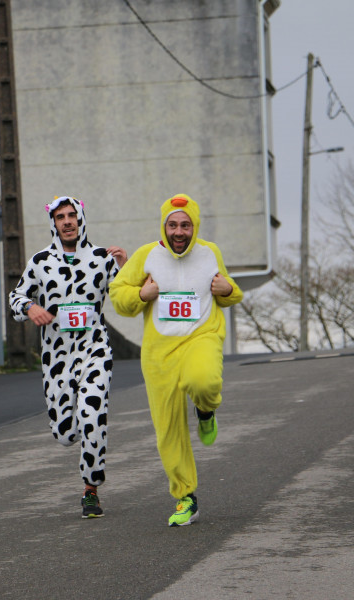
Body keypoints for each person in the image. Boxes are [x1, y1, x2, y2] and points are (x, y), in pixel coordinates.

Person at [109, 193, 242, 526]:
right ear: (164, 226)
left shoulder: (211, 253)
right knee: (168, 429)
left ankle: (206, 409)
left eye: (185, 225)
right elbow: (118, 294)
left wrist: (227, 290)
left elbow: (229, 291)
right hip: (159, 353)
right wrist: (141, 294)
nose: (179, 231)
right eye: (173, 225)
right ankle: (186, 496)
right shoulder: (146, 255)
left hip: (201, 337)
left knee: (205, 381)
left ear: (194, 226)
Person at [9, 196, 127, 518]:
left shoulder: (102, 258)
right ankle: (71, 434)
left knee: (92, 414)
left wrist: (125, 266)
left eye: (72, 215)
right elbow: (15, 296)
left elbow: (125, 296)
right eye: (60, 217)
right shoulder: (40, 261)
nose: (67, 221)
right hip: (56, 357)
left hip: (95, 349)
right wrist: (31, 307)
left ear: (81, 218)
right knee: (65, 434)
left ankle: (91, 489)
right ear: (54, 223)